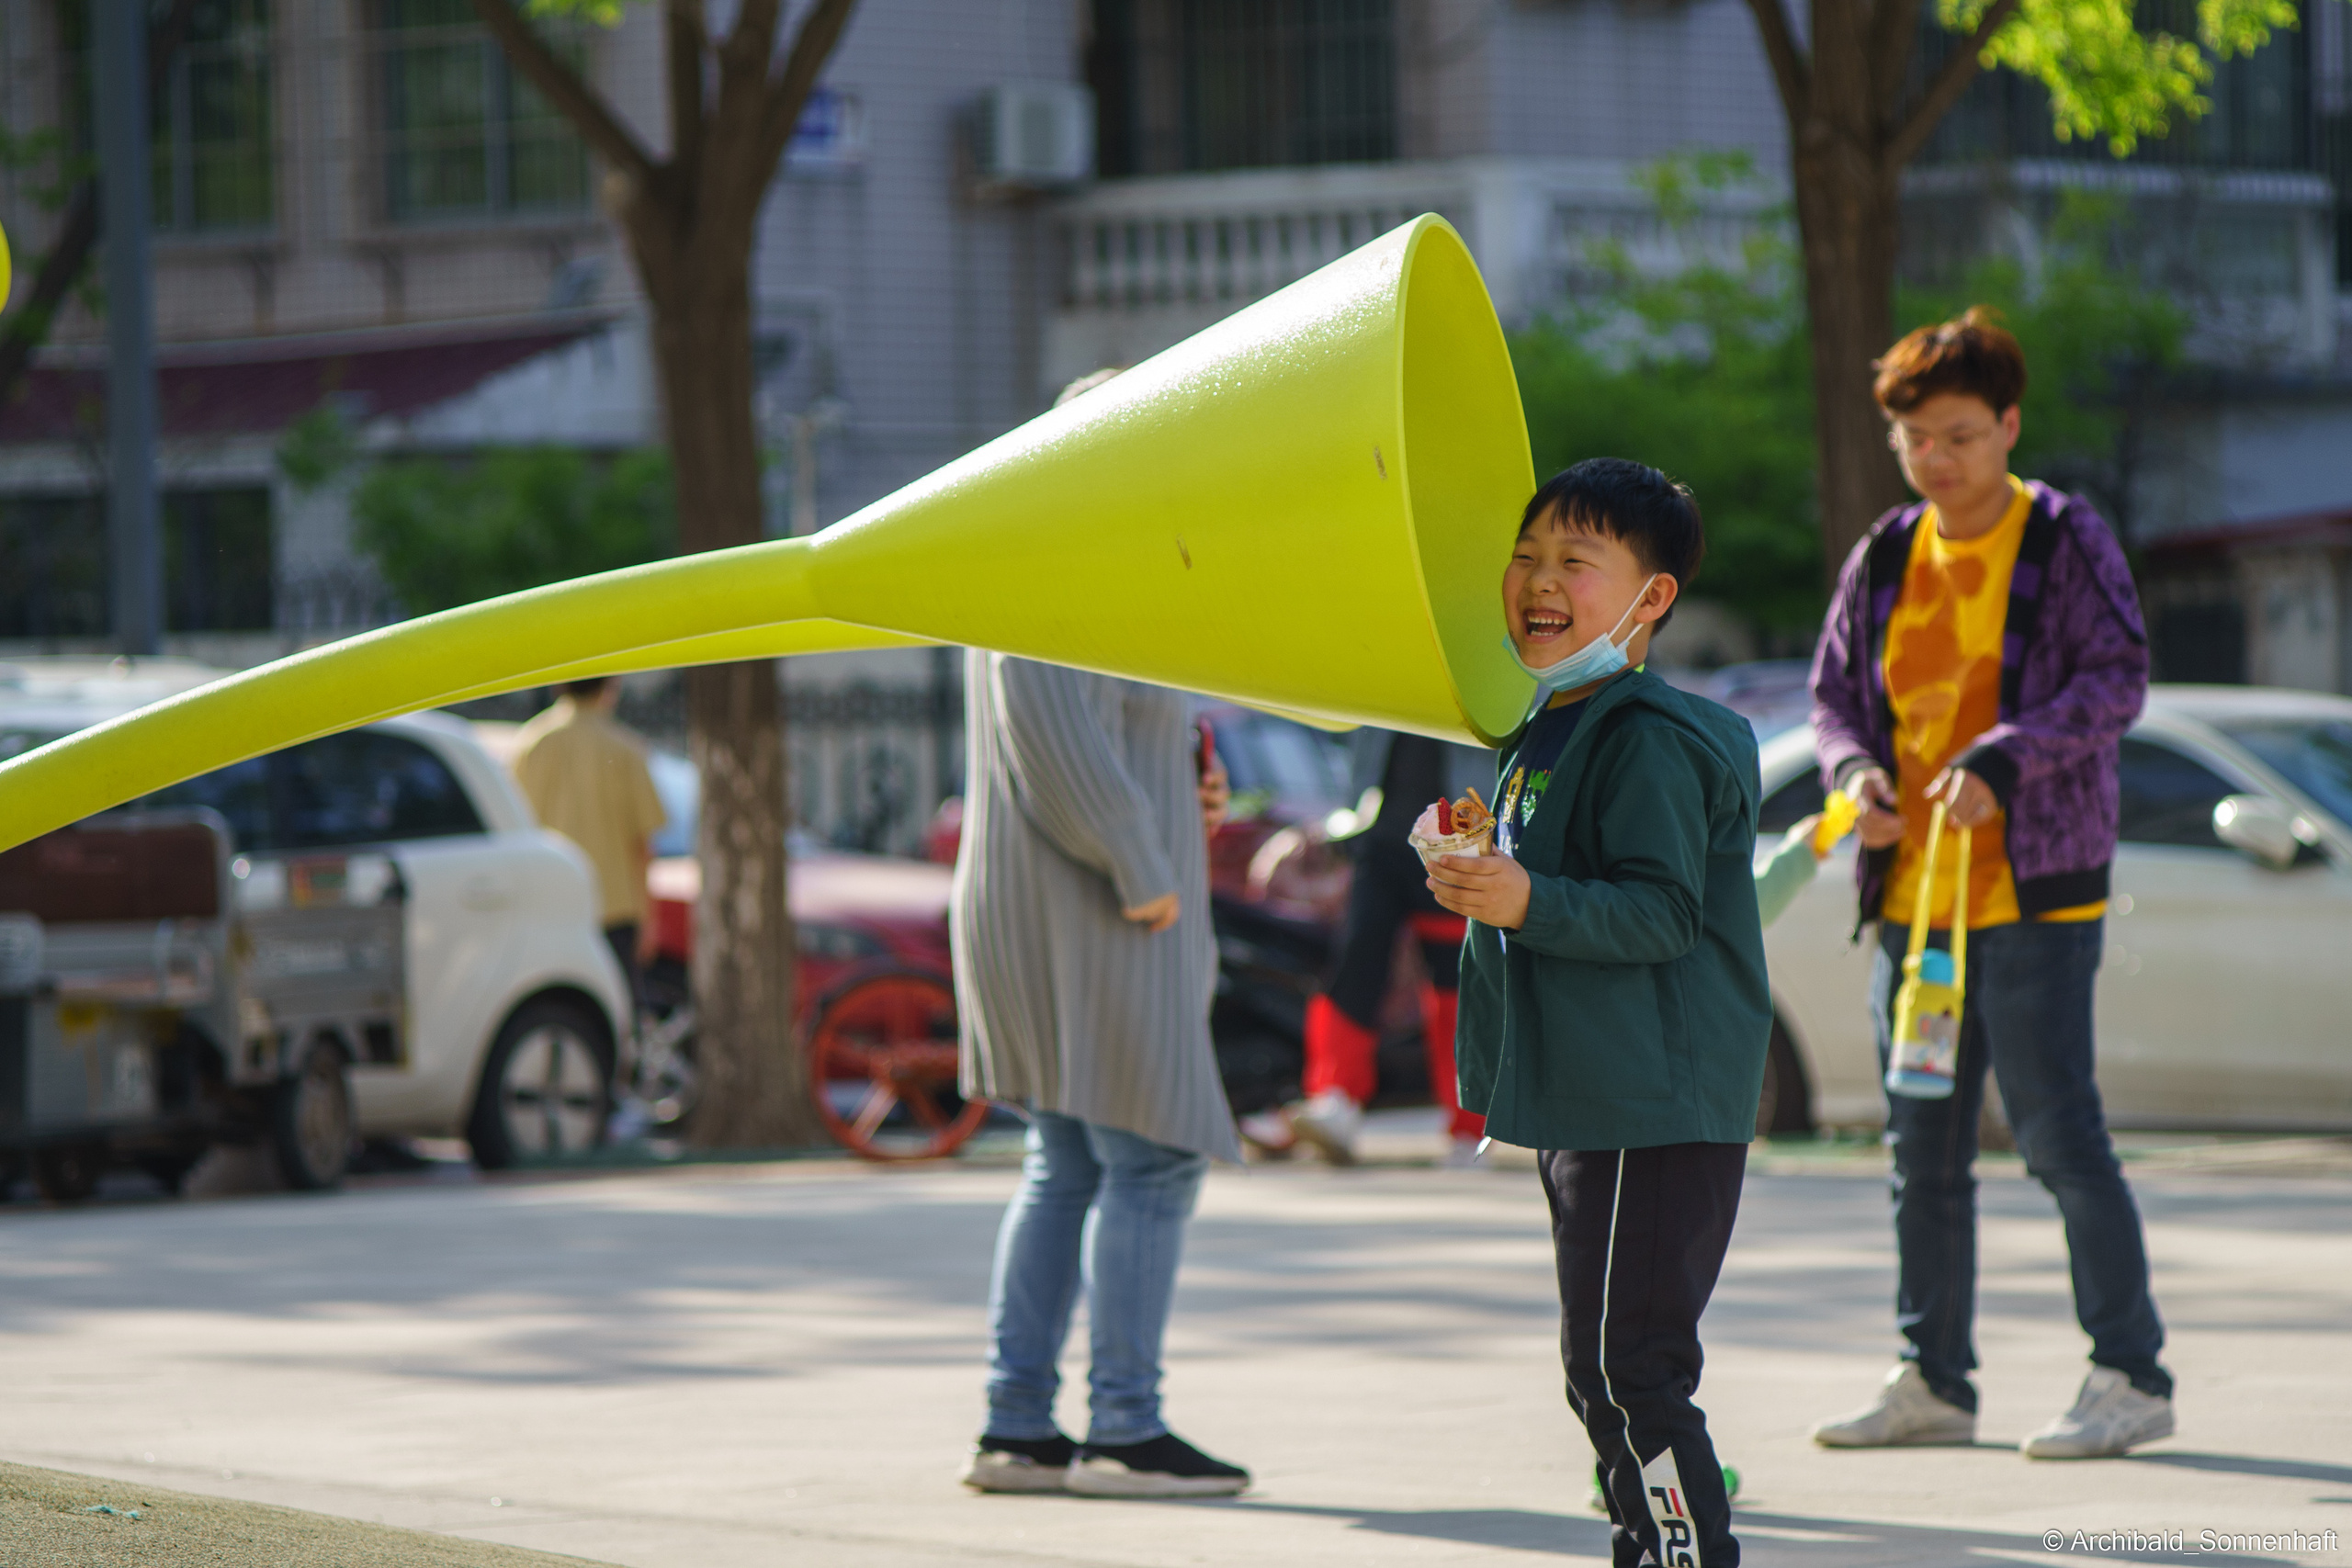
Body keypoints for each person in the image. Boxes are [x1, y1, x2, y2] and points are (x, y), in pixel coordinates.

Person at [1807, 308, 2173, 1461]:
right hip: (1911, 907)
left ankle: (2130, 1375)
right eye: (1915, 439)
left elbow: (2118, 678)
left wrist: (2007, 759)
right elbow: (1832, 701)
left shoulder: (2063, 539)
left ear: (2010, 426)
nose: (1936, 459)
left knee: (2060, 1140)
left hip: (2034, 902)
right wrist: (1856, 775)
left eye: (1959, 435)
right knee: (1919, 1155)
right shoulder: (1883, 554)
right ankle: (1933, 1379)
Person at [1433, 458, 1767, 1568]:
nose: (1538, 580)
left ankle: (1684, 1553)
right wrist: (1487, 877)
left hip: (1649, 1103)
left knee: (1633, 1370)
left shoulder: (1645, 738)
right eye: (1525, 556)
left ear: (1651, 597)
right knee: (1602, 1370)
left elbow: (1662, 912)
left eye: (1575, 561)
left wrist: (1524, 898)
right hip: (1590, 1094)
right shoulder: (1544, 727)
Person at [954, 369, 1249, 1502]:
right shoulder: (1054, 549)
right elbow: (1050, 731)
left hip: (1065, 898)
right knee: (1151, 1156)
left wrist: (1183, 790)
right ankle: (1122, 1427)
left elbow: (1098, 726)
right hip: (1092, 902)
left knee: (1070, 1160)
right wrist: (1140, 860)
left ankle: (1019, 1425)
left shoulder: (1053, 546)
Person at [1238, 728, 1491, 1167]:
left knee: (1458, 983)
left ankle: (1470, 1128)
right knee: (1356, 962)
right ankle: (1335, 1101)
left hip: (1458, 835)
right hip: (1380, 830)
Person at [511, 676, 668, 1006]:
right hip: (615, 911)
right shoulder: (625, 748)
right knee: (617, 1012)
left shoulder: (530, 743)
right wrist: (649, 920)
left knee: (557, 1011)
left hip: (550, 908)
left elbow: (512, 834)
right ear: (610, 686)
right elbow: (643, 843)